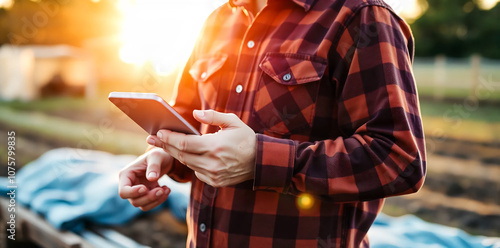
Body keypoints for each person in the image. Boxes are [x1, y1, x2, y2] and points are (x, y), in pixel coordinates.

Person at [118, 0, 426, 247]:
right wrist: (169, 155)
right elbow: (190, 119)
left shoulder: (362, 16)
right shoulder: (217, 21)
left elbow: (398, 158)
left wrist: (260, 161)